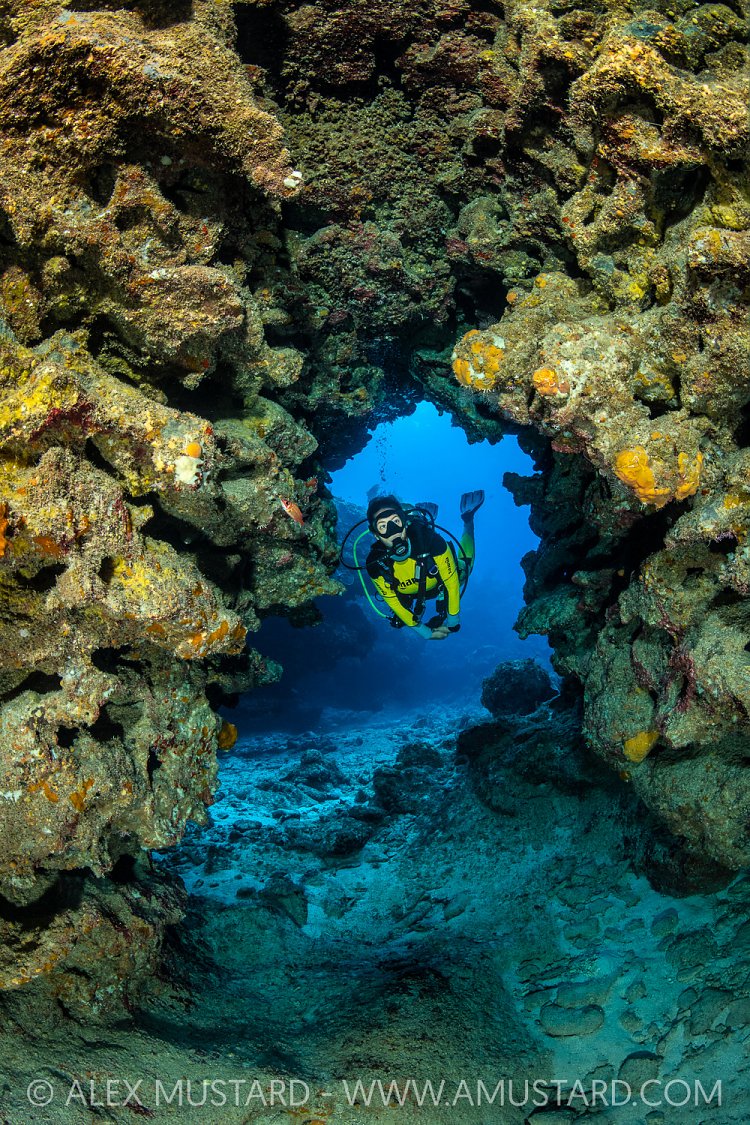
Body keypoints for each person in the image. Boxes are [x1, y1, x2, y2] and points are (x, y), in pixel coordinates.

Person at [365, 491, 484, 639]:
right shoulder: (375, 565)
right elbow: (393, 601)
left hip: (440, 582)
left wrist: (453, 620)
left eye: (396, 522)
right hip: (410, 593)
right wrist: (425, 632)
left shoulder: (433, 542)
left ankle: (467, 520)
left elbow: (452, 584)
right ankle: (422, 519)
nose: (393, 532)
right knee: (401, 614)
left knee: (466, 567)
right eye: (382, 527)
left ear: (404, 521)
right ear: (376, 534)